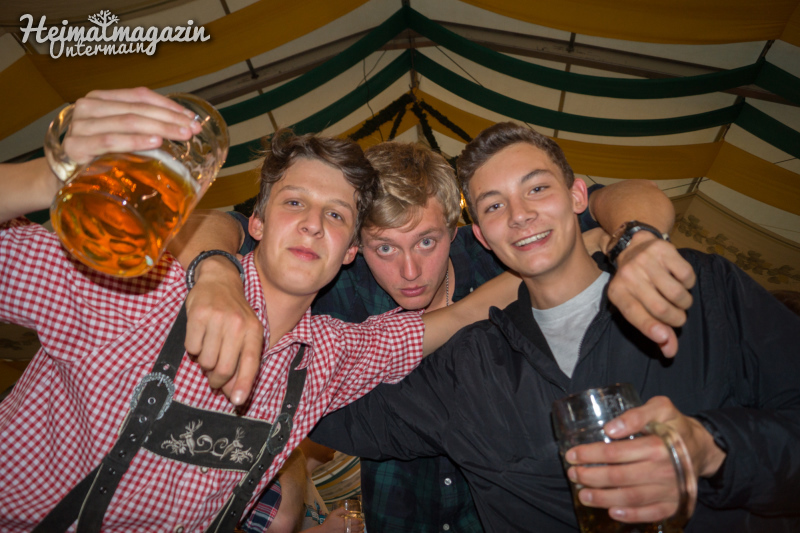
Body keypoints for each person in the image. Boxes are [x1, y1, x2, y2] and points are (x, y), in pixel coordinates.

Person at [0, 88, 515, 531]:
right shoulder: (140, 288)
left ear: (349, 251)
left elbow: (461, 315)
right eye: (294, 202)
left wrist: (552, 258)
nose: (313, 223)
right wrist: (48, 177)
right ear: (257, 224)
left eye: (336, 215)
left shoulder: (328, 355)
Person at [308, 122, 800, 532]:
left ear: (578, 196)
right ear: (482, 235)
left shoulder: (699, 287)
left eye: (537, 188)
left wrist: (711, 448)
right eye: (494, 205)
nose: (520, 215)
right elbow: (313, 409)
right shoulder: (468, 364)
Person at [175, 140, 689, 532]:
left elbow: (627, 197)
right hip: (400, 512)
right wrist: (216, 273)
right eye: (384, 248)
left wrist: (638, 240)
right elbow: (217, 223)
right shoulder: (336, 282)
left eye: (427, 241)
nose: (410, 271)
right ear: (355, 245)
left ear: (457, 227)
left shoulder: (496, 249)